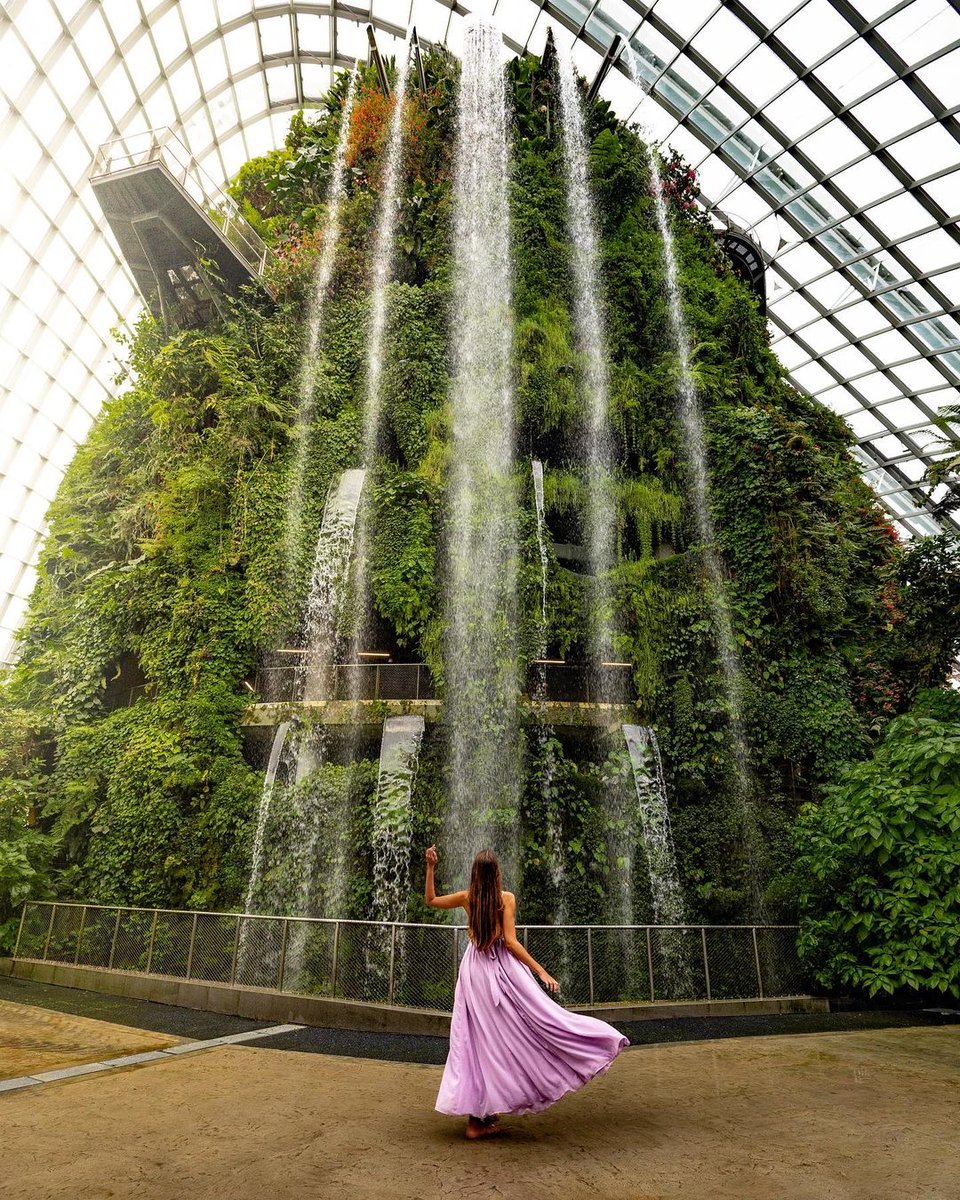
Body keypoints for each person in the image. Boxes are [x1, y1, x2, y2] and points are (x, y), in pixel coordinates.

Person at [424, 844, 629, 1139]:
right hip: (498, 970)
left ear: (473, 874)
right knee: (536, 1022)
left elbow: (430, 900)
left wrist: (430, 866)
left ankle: (478, 1118)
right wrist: (541, 970)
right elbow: (510, 942)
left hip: (473, 973)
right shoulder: (505, 899)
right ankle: (490, 1110)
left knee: (478, 1041)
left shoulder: (467, 898)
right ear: (496, 874)